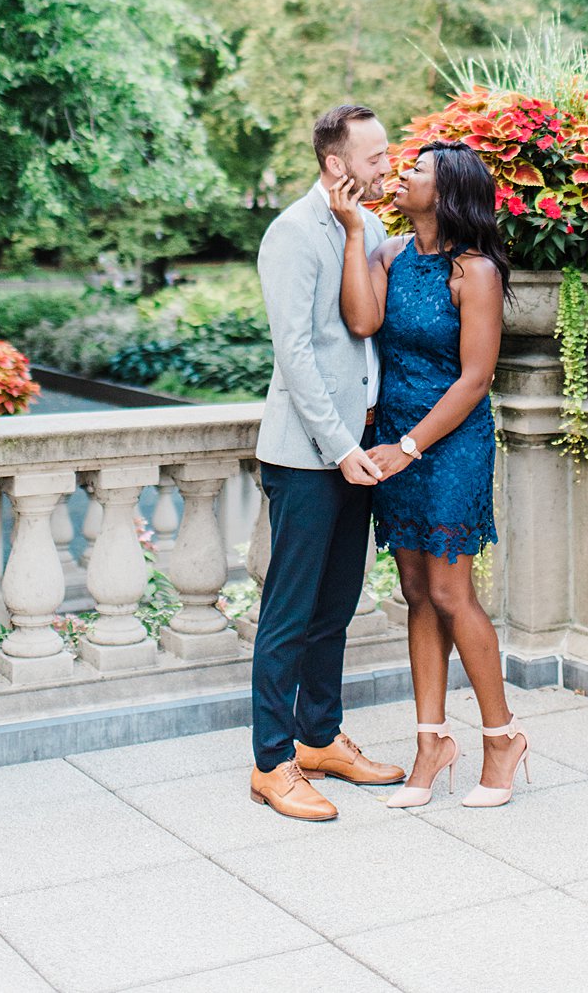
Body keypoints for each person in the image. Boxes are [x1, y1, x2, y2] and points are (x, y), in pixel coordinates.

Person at [331, 140, 530, 808]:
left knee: (450, 592)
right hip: (396, 439)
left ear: (444, 197)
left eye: (416, 171)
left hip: (447, 444)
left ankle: (502, 740)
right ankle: (431, 742)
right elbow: (363, 320)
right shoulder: (389, 254)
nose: (401, 175)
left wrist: (409, 447)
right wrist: (358, 232)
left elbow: (476, 379)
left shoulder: (474, 272)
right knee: (416, 590)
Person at [249, 103, 405, 820]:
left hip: (361, 452)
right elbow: (297, 355)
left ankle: (319, 738)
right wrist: (341, 450)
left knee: (337, 606)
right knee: (290, 611)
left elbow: (364, 333)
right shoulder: (289, 233)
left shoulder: (367, 226)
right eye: (374, 157)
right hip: (309, 457)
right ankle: (272, 763)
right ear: (335, 163)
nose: (387, 167)